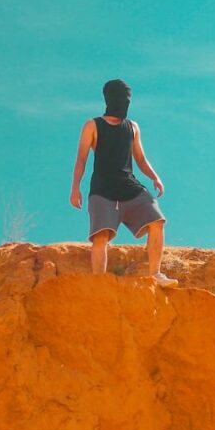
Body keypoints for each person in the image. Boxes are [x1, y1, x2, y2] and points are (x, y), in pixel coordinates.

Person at [69, 79, 178, 288]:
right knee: (101, 236)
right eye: (121, 97)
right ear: (109, 98)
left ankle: (155, 274)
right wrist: (75, 188)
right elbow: (81, 160)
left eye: (128, 98)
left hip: (130, 186)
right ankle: (99, 282)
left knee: (158, 222)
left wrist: (155, 177)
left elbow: (141, 159)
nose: (125, 102)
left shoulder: (133, 127)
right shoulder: (92, 125)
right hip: (102, 190)